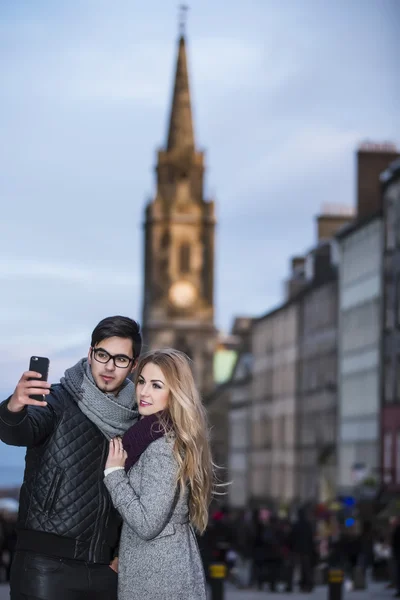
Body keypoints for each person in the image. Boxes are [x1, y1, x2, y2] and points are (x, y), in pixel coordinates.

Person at [0, 315, 141, 600]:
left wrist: (121, 556)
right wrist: (14, 408)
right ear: (90, 354)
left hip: (106, 570)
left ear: (133, 365)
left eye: (121, 359)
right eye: (103, 355)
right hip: (45, 567)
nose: (110, 366)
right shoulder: (57, 399)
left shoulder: (137, 418)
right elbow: (18, 433)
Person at [104, 348, 212, 600]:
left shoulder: (163, 446)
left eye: (156, 385)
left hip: (160, 577)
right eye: (141, 381)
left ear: (175, 394)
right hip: (158, 568)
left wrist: (114, 473)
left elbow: (147, 524)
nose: (143, 391)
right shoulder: (147, 435)